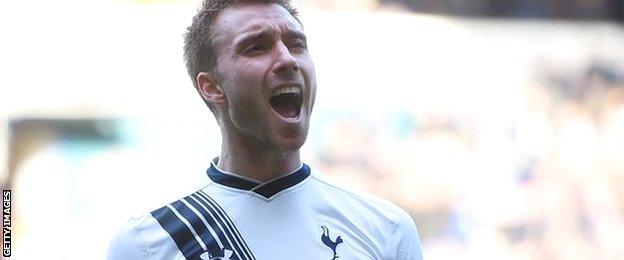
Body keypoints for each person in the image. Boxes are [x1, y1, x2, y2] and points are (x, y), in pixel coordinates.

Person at [107, 0, 423, 259]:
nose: (287, 60)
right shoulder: (149, 243)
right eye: (257, 47)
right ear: (212, 87)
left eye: (296, 44)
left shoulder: (386, 229)